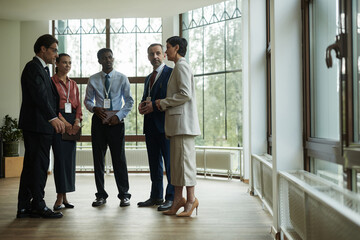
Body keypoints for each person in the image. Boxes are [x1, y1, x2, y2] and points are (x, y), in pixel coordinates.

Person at [17, 34, 65, 219]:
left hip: (38, 125)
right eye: (53, 50)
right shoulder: (33, 67)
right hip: (38, 125)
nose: (56, 54)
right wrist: (52, 118)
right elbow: (39, 96)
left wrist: (56, 116)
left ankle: (23, 206)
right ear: (43, 49)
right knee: (38, 166)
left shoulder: (42, 69)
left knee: (31, 166)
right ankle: (38, 204)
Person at [155, 36, 201, 217]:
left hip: (183, 126)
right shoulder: (178, 67)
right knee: (177, 167)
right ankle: (177, 201)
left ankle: (191, 201)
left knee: (185, 166)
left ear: (176, 47)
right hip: (177, 126)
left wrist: (163, 103)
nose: (166, 52)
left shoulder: (182, 66)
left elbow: (185, 94)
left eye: (167, 48)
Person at [84, 48, 134, 207]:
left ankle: (124, 195)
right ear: (99, 61)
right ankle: (101, 195)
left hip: (116, 122)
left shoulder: (122, 78)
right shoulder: (93, 79)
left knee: (119, 159)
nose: (108, 60)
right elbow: (87, 101)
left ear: (113, 59)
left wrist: (118, 117)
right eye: (104, 58)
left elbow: (129, 102)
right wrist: (94, 108)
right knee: (98, 160)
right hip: (99, 121)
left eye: (110, 57)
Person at [137, 43, 174, 211]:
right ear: (148, 57)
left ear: (164, 55)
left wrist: (154, 105)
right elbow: (147, 97)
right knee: (154, 164)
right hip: (150, 126)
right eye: (151, 54)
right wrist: (142, 105)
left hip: (166, 126)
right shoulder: (148, 78)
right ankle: (156, 196)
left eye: (158, 53)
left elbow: (172, 99)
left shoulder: (171, 74)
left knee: (169, 164)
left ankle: (171, 198)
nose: (155, 57)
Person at [51, 53, 82, 211]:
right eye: (64, 62)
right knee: (60, 161)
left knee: (69, 162)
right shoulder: (51, 82)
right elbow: (53, 107)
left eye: (70, 62)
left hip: (72, 123)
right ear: (56, 63)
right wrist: (65, 123)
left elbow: (78, 106)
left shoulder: (74, 84)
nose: (67, 65)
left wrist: (76, 121)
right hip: (59, 122)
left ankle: (65, 196)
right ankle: (59, 197)